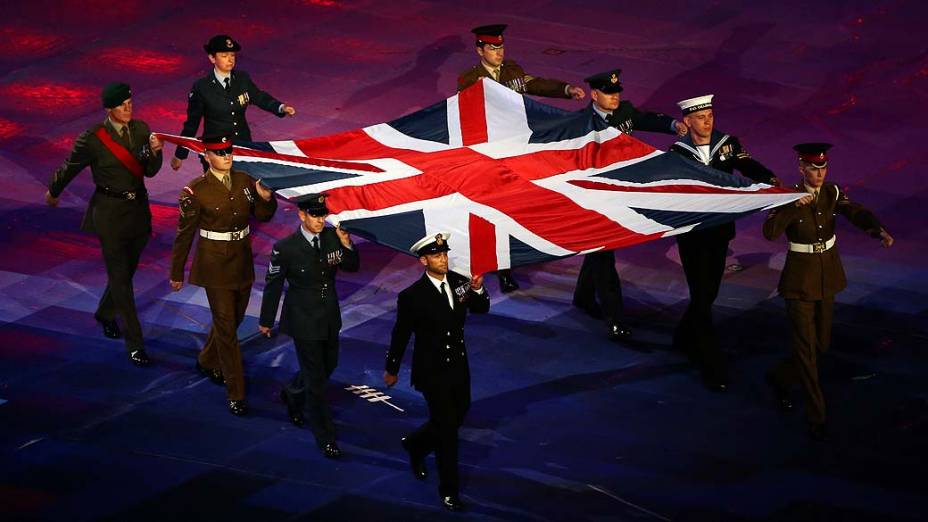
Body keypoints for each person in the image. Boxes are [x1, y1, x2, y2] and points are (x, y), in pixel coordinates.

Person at [763, 143, 893, 440]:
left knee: (821, 344)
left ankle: (779, 378)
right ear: (801, 168)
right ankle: (817, 415)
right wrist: (793, 205)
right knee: (806, 351)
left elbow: (853, 211)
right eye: (813, 168)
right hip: (799, 282)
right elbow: (770, 233)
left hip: (828, 275)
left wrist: (877, 230)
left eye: (822, 168)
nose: (819, 174)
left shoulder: (832, 192)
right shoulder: (788, 197)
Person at [458, 23, 585, 294]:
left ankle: (509, 260)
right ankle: (496, 267)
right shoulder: (469, 80)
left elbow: (535, 83)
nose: (499, 52)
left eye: (501, 47)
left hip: (514, 150)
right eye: (493, 48)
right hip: (487, 154)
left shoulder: (512, 70)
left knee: (513, 208)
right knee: (490, 211)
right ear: (479, 50)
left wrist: (566, 89)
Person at [45, 82, 163, 367]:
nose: (128, 108)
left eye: (130, 102)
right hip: (109, 214)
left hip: (137, 211)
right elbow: (70, 166)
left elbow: (149, 171)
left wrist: (155, 152)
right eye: (122, 104)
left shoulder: (142, 129)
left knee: (127, 271)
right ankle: (135, 344)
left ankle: (105, 313)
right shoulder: (94, 138)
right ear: (109, 109)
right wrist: (54, 191)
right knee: (121, 280)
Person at [669, 94, 780, 392]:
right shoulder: (677, 152)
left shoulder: (727, 143)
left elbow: (748, 165)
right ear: (688, 121)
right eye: (701, 117)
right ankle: (710, 362)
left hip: (719, 231)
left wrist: (769, 177)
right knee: (703, 297)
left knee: (709, 292)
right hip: (692, 233)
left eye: (711, 115)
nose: (708, 121)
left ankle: (682, 336)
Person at [572, 69, 687, 341]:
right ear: (594, 94)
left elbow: (644, 119)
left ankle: (583, 297)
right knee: (604, 252)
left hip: (620, 192)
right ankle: (615, 318)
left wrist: (673, 126)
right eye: (610, 93)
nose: (615, 97)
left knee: (600, 250)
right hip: (594, 198)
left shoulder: (624, 111)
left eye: (617, 92)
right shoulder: (579, 122)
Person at [169, 134, 278, 416]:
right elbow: (185, 234)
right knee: (228, 328)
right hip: (214, 266)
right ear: (207, 156)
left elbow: (263, 215)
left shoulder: (244, 180)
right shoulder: (195, 191)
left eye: (229, 151)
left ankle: (206, 359)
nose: (226, 156)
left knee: (236, 318)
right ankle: (236, 392)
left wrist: (265, 198)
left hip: (241, 261)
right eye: (219, 153)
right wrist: (177, 271)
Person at [384, 233, 490, 512]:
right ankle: (449, 490)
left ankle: (417, 444)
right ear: (423, 260)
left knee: (459, 415)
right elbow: (401, 333)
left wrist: (478, 289)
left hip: (458, 367)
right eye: (436, 256)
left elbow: (481, 308)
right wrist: (391, 367)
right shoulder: (412, 297)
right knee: (447, 433)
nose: (443, 259)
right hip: (431, 372)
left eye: (444, 254)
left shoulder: (458, 283)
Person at [258, 194, 359, 458]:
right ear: (301, 215)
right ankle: (326, 436)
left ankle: (293, 394)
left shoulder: (331, 237)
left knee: (329, 365)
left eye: (322, 215)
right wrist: (267, 320)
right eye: (314, 215)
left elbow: (352, 266)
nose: (320, 220)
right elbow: (274, 284)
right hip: (303, 318)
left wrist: (347, 244)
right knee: (317, 382)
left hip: (329, 316)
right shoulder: (286, 247)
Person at [170, 34, 296, 172]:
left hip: (243, 148)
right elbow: (191, 124)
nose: (230, 60)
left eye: (232, 55)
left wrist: (280, 107)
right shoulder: (202, 87)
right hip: (216, 151)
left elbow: (259, 96)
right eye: (224, 56)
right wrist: (180, 155)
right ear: (212, 58)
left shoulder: (242, 78)